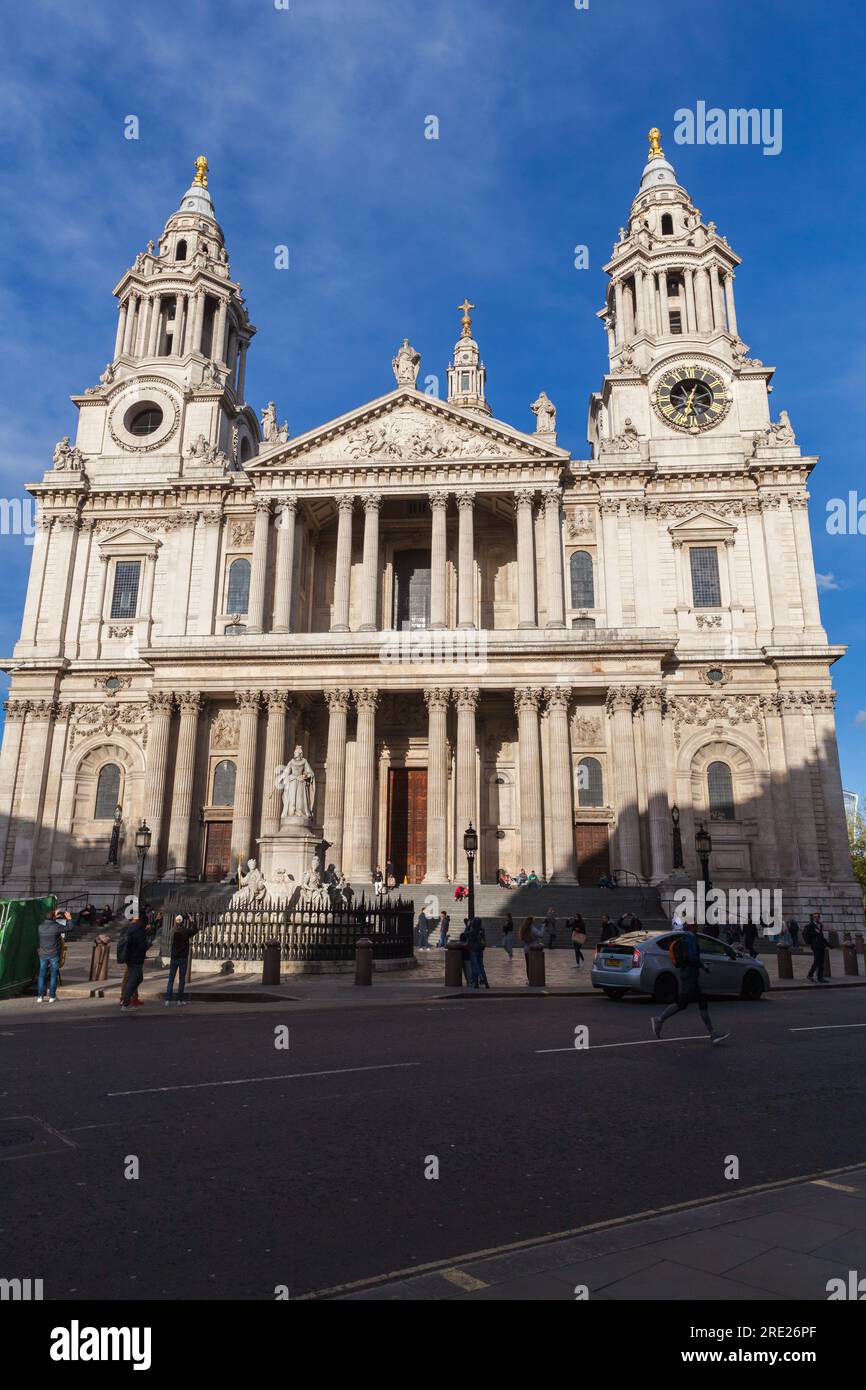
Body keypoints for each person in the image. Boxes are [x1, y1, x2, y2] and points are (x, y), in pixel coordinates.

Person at [651, 922, 729, 1045]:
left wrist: (701, 966)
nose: (698, 927)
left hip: (687, 973)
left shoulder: (684, 937)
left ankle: (712, 1033)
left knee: (698, 1001)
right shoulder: (691, 938)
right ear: (691, 926)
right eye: (696, 925)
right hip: (690, 975)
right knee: (683, 1003)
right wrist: (702, 965)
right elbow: (693, 958)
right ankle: (659, 1020)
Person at [120, 915, 160, 1010]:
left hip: (130, 958)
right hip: (135, 959)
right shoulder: (139, 931)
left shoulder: (132, 928)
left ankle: (127, 998)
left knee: (138, 978)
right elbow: (142, 947)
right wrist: (149, 944)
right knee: (133, 979)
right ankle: (125, 1002)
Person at [36, 908, 71, 1003]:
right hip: (53, 954)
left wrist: (54, 916)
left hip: (43, 954)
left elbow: (50, 921)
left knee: (41, 976)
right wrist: (69, 918)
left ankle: (40, 996)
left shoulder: (40, 926)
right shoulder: (56, 926)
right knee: (53, 975)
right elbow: (69, 928)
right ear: (54, 917)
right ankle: (52, 997)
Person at [165, 914, 199, 1006]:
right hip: (183, 957)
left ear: (176, 921)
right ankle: (179, 1000)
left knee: (171, 979)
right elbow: (195, 930)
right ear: (182, 922)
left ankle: (167, 1000)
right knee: (181, 979)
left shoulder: (172, 930)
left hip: (174, 957)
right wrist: (192, 921)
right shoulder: (185, 931)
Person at [804, 912, 828, 983]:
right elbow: (807, 935)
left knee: (821, 962)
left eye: (817, 917)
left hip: (821, 945)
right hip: (815, 946)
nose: (816, 918)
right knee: (816, 961)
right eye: (815, 917)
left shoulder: (820, 925)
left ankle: (820, 977)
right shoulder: (810, 925)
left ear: (819, 917)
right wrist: (815, 933)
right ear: (813, 918)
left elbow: (821, 935)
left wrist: (827, 944)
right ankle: (810, 975)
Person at [467, 917, 489, 989]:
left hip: (473, 950)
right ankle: (486, 983)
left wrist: (467, 926)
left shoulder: (472, 931)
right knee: (481, 967)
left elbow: (464, 934)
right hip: (480, 950)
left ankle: (477, 982)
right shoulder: (481, 930)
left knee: (475, 967)